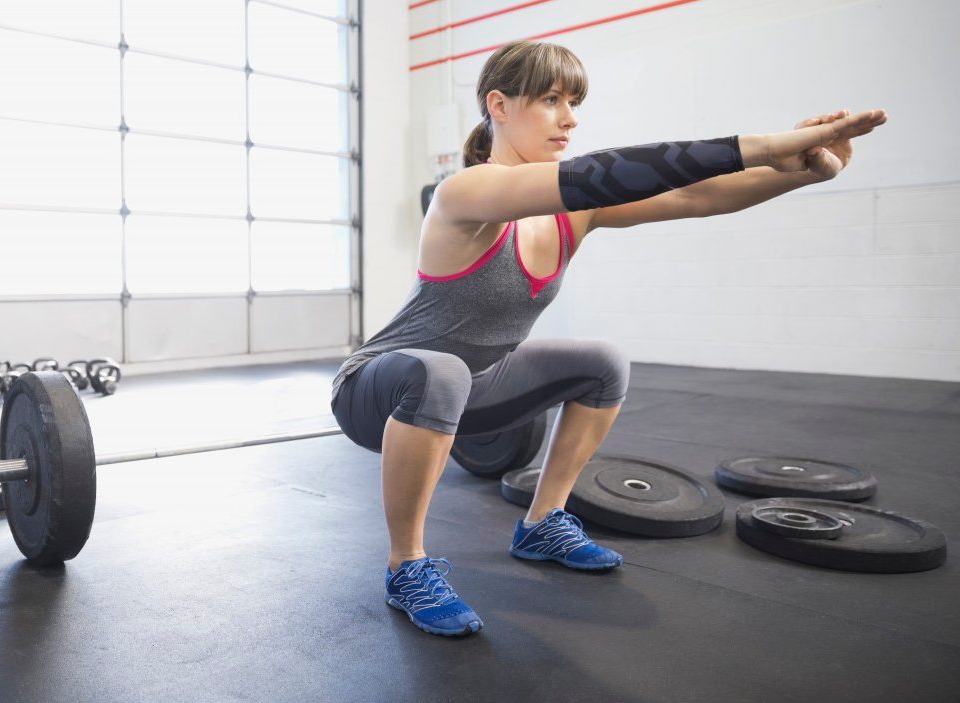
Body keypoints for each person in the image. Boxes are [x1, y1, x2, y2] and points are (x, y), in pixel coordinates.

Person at [330, 40, 887, 637]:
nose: (569, 118)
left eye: (574, 102)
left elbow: (695, 196)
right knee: (441, 372)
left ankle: (542, 523)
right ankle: (406, 566)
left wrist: (799, 171)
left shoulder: (575, 212)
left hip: (477, 385)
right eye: (550, 100)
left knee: (602, 363)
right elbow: (609, 171)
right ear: (499, 105)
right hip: (376, 388)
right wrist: (776, 142)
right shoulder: (465, 193)